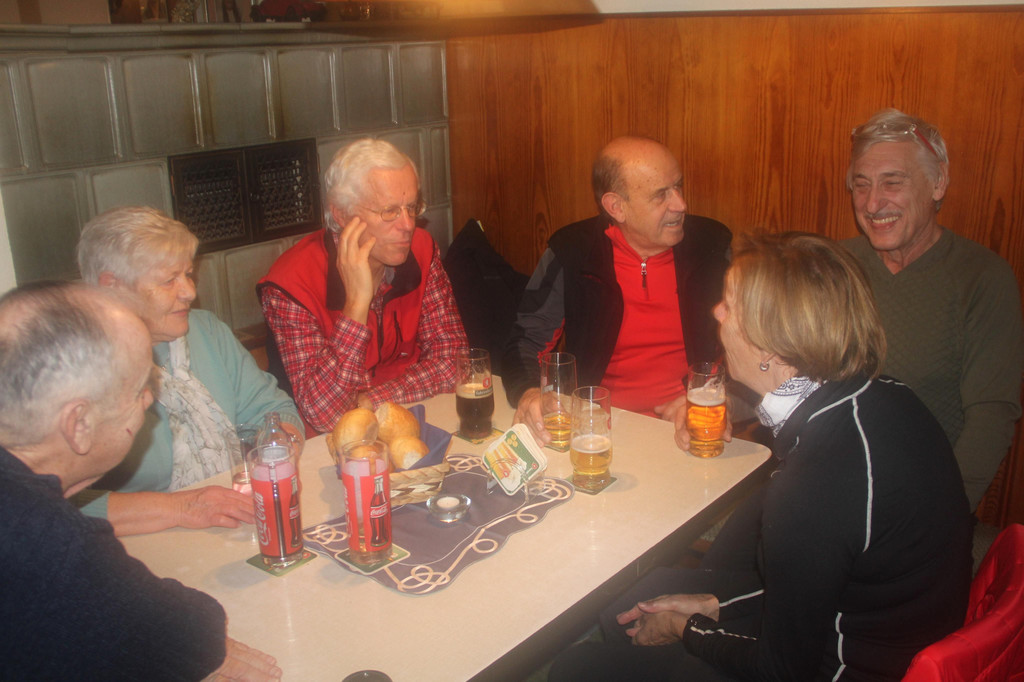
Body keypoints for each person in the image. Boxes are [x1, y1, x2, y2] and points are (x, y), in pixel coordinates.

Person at [550, 233, 973, 681]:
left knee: (576, 668)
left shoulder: (814, 482)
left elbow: (781, 669)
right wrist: (716, 605)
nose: (716, 311)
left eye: (730, 305)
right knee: (628, 608)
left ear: (771, 347)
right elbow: (819, 583)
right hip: (865, 623)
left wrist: (686, 628)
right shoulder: (882, 394)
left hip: (842, 668)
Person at [0, 282, 280, 680]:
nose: (150, 400)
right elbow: (188, 634)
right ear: (78, 425)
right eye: (138, 390)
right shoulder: (47, 539)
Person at [75, 206, 303, 537]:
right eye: (169, 280)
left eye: (188, 274)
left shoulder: (206, 331)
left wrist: (278, 454)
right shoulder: (74, 369)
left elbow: (273, 410)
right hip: (138, 544)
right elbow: (44, 502)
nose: (189, 292)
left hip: (232, 525)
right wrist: (181, 507)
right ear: (112, 286)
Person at [843, 108, 1024, 511]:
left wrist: (941, 515)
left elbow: (991, 414)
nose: (873, 203)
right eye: (861, 184)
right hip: (826, 482)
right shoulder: (834, 265)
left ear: (938, 182)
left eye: (893, 183)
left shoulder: (981, 277)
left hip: (919, 499)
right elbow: (784, 362)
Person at [502, 136, 732, 445]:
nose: (681, 205)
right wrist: (530, 393)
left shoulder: (713, 248)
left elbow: (758, 348)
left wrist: (722, 400)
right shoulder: (573, 251)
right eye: (661, 195)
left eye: (678, 186)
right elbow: (525, 340)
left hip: (692, 429)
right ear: (616, 206)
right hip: (598, 431)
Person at [259, 138, 468, 434]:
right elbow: (325, 416)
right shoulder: (291, 283)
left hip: (406, 421)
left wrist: (370, 401)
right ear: (342, 215)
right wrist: (356, 305)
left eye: (411, 207)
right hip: (328, 447)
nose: (408, 225)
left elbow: (454, 363)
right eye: (389, 211)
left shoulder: (422, 250)